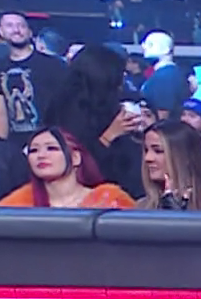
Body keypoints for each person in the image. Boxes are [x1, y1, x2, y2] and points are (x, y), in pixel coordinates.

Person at [45, 44, 145, 199]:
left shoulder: (106, 100)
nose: (121, 83)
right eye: (118, 76)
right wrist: (110, 135)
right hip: (87, 196)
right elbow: (76, 163)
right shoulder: (67, 110)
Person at [0, 127, 136, 208]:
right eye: (33, 150)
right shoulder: (18, 203)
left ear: (75, 158)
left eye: (51, 148)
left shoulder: (108, 198)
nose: (41, 155)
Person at [0, 13, 68, 150]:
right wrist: (0, 148)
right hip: (15, 144)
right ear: (1, 32)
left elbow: (66, 103)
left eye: (21, 26)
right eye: (10, 25)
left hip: (51, 140)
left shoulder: (53, 64)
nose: (16, 30)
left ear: (29, 32)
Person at [142, 120, 201, 211]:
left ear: (185, 156)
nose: (148, 158)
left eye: (158, 151)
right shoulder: (142, 206)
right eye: (146, 150)